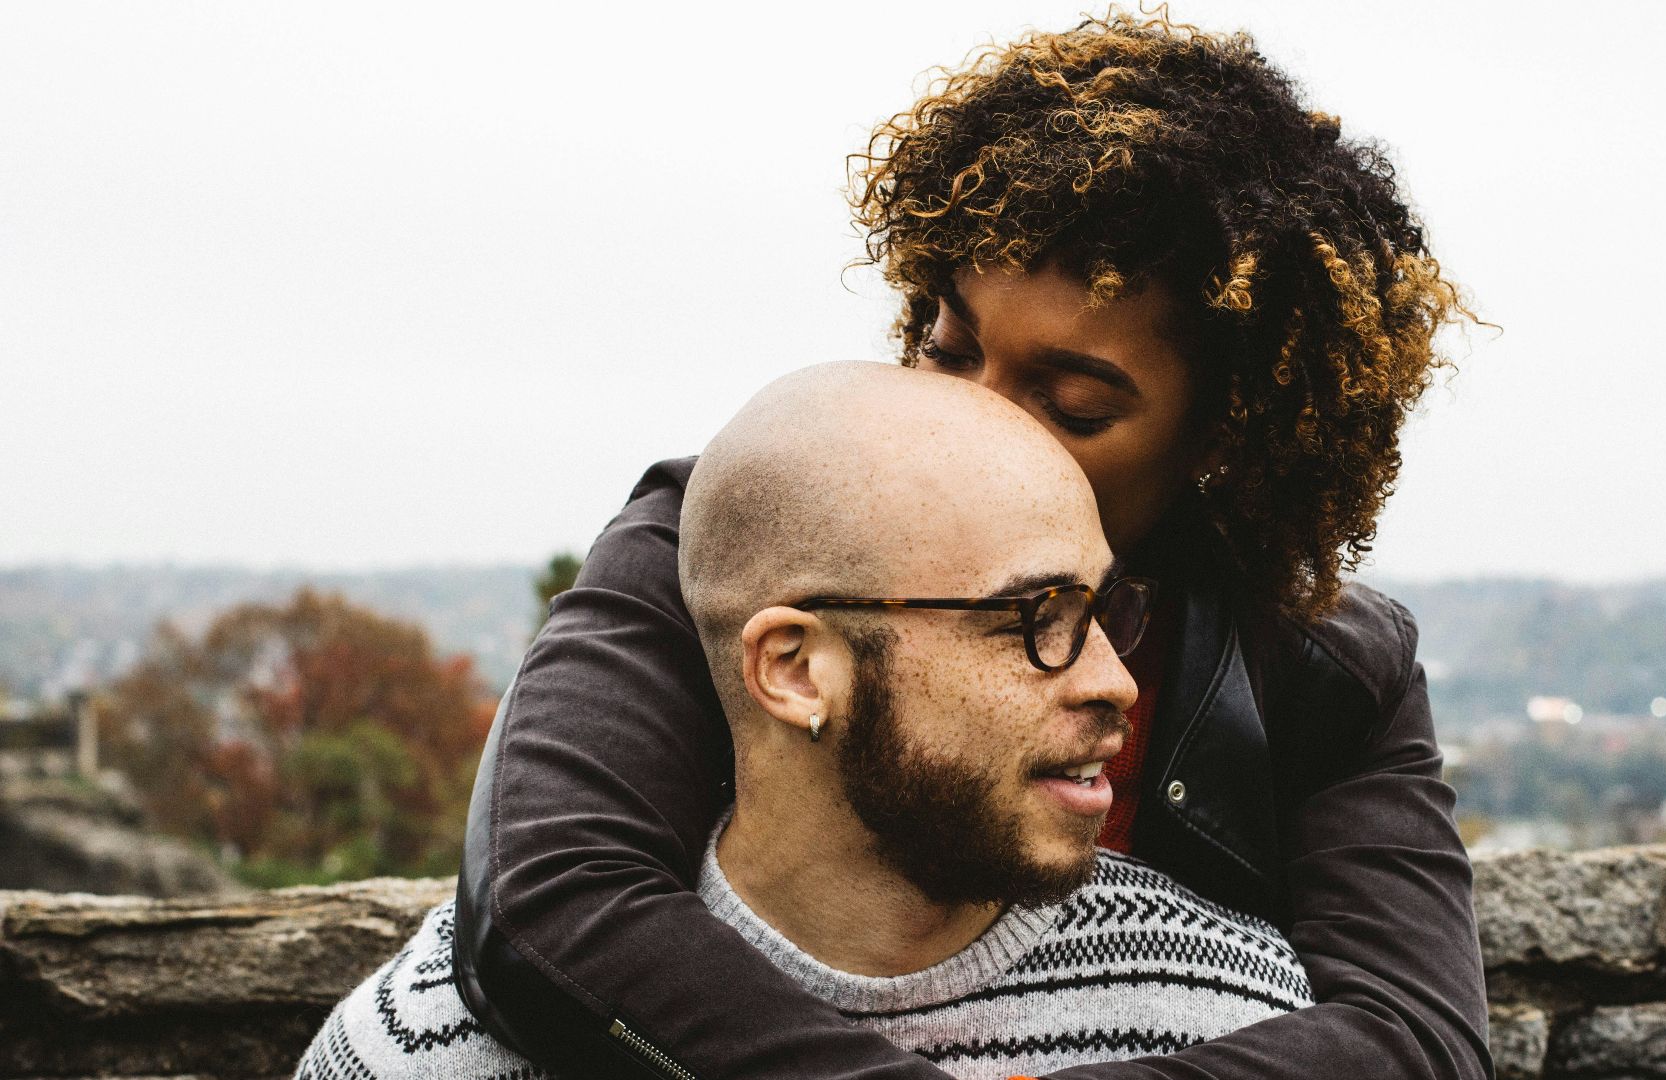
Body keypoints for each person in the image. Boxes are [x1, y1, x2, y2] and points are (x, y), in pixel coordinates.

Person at [456, 11, 1491, 1080]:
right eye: (949, 351)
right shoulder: (729, 538)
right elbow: (547, 904)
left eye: (1074, 403)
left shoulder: (1327, 672)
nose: (980, 417)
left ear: (1222, 441)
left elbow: (1415, 1039)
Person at [297, 364, 1314, 1080]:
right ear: (793, 669)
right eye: (1032, 618)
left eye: (1104, 611)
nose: (1114, 682)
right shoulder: (430, 1047)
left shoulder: (1225, 1012)